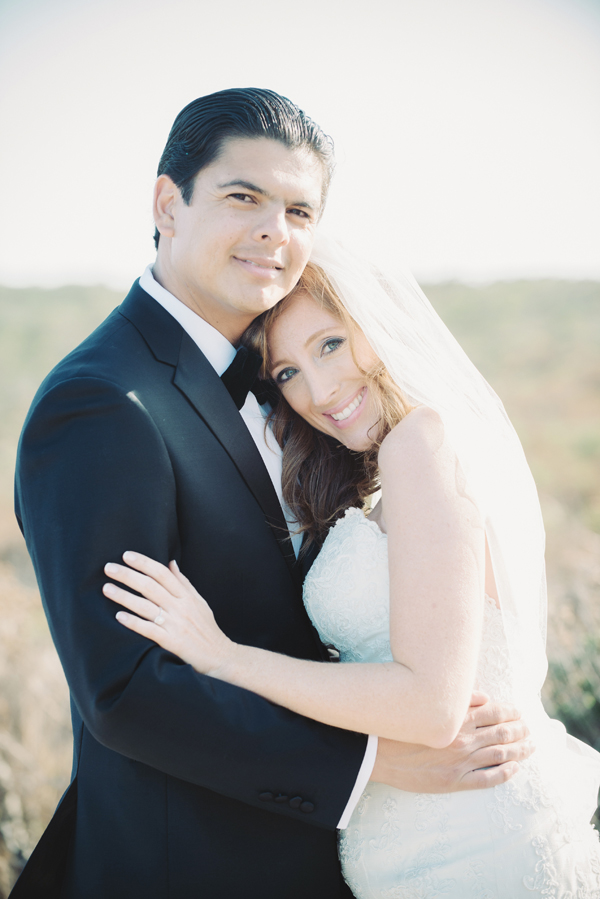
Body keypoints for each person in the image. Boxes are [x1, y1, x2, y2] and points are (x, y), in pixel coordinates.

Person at [13, 90, 532, 899]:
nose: (274, 232)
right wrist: (368, 763)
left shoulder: (307, 392)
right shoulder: (102, 404)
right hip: (191, 864)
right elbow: (125, 691)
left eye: (299, 209)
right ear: (167, 204)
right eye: (243, 197)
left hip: (380, 852)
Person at [103, 238, 600, 895]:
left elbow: (430, 706)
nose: (320, 389)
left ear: (376, 322)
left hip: (476, 848)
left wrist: (225, 658)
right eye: (287, 373)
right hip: (417, 847)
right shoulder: (379, 478)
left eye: (331, 344)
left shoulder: (420, 444)